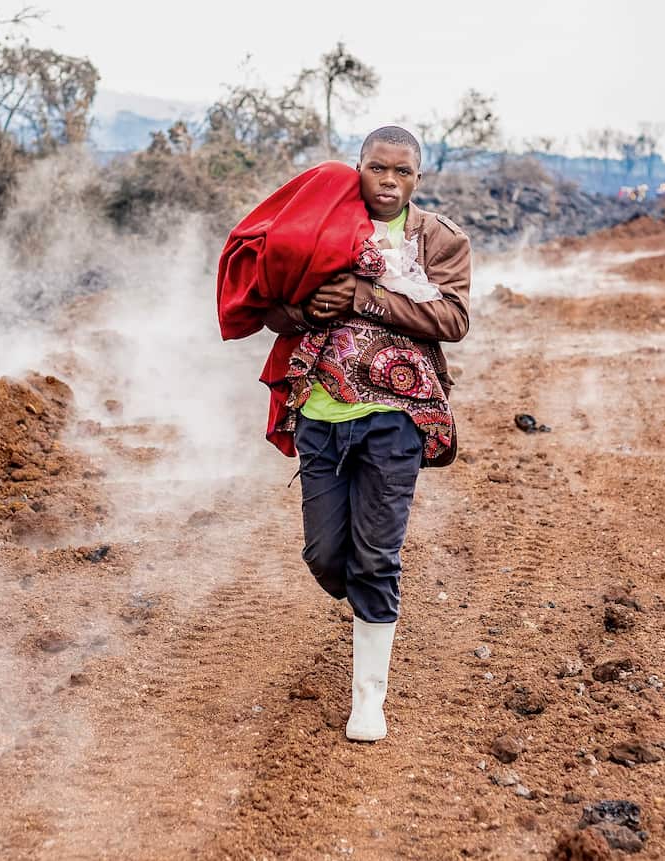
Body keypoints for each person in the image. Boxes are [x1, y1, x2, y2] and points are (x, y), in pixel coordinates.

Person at [217, 126, 470, 742]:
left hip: (398, 415)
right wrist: (307, 312)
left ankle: (369, 701)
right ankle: (361, 590)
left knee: (377, 557)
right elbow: (270, 306)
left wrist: (363, 297)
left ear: (418, 178)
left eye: (402, 172)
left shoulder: (438, 238)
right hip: (321, 415)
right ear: (357, 168)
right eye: (377, 168)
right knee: (328, 557)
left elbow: (453, 318)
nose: (389, 181)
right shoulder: (318, 224)